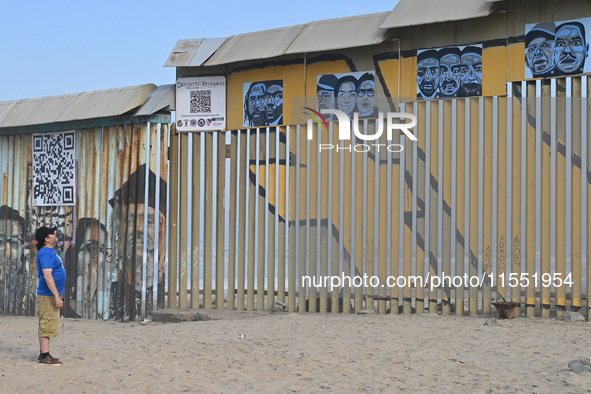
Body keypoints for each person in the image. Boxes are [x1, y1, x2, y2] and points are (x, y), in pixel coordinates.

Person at [35, 225, 66, 365]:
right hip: (48, 296)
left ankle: (46, 354)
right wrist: (57, 296)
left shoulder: (49, 252)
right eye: (52, 233)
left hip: (50, 295)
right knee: (47, 323)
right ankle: (44, 356)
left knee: (50, 323)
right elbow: (48, 276)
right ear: (47, 239)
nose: (55, 233)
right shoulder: (46, 253)